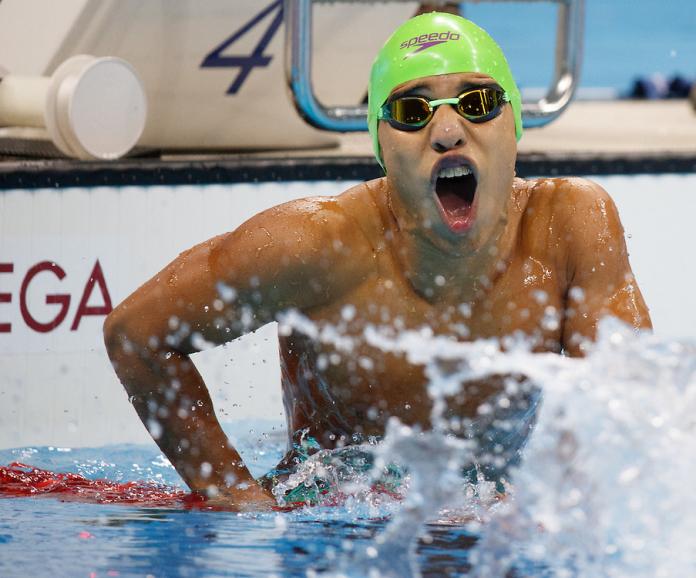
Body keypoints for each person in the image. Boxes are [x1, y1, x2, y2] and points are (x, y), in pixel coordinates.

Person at [103, 12, 651, 510]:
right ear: (381, 147)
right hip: (335, 525)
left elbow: (624, 414)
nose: (448, 131)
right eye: (413, 113)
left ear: (515, 127)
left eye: (477, 104)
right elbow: (137, 334)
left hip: (493, 528)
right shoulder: (318, 245)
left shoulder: (569, 227)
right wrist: (234, 495)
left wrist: (563, 512)